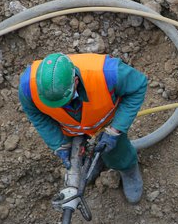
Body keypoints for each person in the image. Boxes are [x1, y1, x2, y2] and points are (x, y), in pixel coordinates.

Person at [18, 52, 148, 203]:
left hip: (105, 125)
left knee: (116, 151)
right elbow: (37, 116)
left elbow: (138, 86)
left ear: (76, 81)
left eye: (63, 100)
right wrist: (59, 144)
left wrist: (115, 129)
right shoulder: (28, 87)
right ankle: (92, 161)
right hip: (68, 127)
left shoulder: (108, 73)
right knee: (79, 156)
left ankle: (127, 169)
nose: (61, 106)